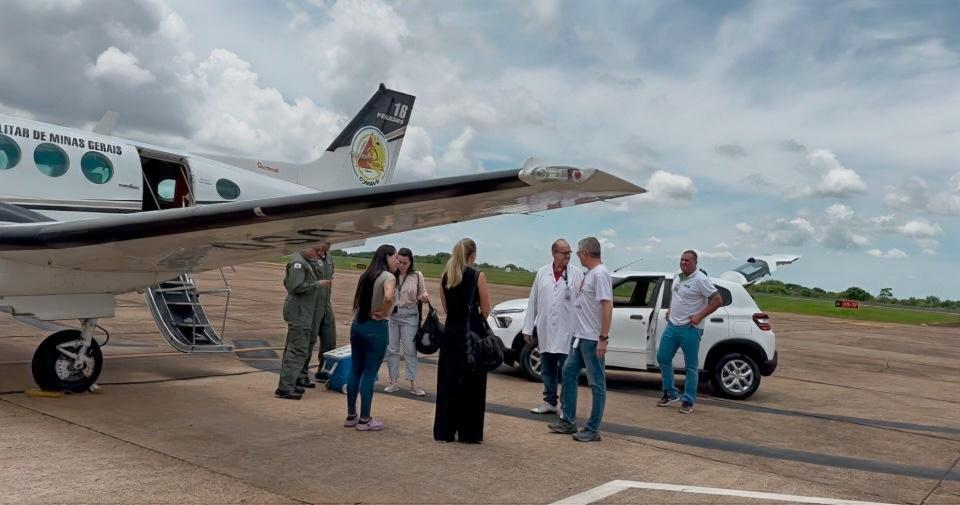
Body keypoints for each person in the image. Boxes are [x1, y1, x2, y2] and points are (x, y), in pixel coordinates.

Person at [548, 237, 612, 442]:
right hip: (580, 337)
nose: (577, 257)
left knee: (597, 383)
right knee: (567, 373)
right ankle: (568, 421)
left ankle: (593, 429)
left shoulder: (600, 274)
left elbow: (606, 305)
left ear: (585, 253)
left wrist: (603, 337)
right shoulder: (591, 274)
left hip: (592, 338)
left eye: (578, 253)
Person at [434, 238, 491, 443]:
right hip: (471, 335)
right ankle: (470, 432)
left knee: (448, 383)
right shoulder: (477, 276)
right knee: (473, 385)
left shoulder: (445, 276)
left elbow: (447, 308)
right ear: (472, 255)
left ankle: (444, 430)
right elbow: (485, 309)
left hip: (451, 333)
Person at [656, 250, 722, 414]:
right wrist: (671, 310)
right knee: (663, 358)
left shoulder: (700, 279)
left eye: (687, 260)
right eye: (682, 260)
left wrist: (700, 316)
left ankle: (688, 400)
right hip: (672, 326)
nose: (684, 262)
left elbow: (717, 300)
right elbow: (675, 295)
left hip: (690, 328)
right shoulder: (678, 277)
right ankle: (671, 393)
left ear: (695, 263)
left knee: (691, 366)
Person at [523, 239, 583, 415]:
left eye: (569, 253)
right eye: (564, 253)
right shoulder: (542, 272)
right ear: (554, 253)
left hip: (568, 331)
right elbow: (533, 300)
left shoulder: (577, 274)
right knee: (547, 369)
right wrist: (528, 327)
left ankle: (566, 407)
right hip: (546, 329)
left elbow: (582, 302)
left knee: (567, 371)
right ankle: (550, 402)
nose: (568, 256)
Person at [344, 244, 399, 431]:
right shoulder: (388, 277)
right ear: (387, 257)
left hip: (358, 325)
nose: (397, 261)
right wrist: (384, 312)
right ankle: (365, 419)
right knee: (369, 374)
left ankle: (351, 415)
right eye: (395, 257)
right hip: (376, 328)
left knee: (355, 370)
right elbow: (389, 296)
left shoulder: (366, 275)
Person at [276, 245, 332, 400]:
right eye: (316, 250)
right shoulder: (298, 263)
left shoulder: (306, 262)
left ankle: (290, 383)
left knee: (296, 348)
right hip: (299, 312)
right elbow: (295, 286)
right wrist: (317, 284)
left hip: (304, 311)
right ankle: (285, 387)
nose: (318, 254)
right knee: (297, 349)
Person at [385, 248, 430, 396]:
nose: (402, 265)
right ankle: (393, 381)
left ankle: (414, 383)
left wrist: (423, 296)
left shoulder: (417, 275)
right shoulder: (391, 274)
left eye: (405, 263)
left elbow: (423, 291)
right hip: (394, 314)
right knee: (392, 349)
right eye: (400, 262)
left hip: (410, 315)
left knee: (410, 349)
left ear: (411, 262)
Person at [307, 242, 336, 383]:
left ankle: (323, 371)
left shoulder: (329, 256)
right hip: (312, 305)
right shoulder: (309, 254)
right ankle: (301, 373)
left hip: (326, 303)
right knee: (309, 340)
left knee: (329, 339)